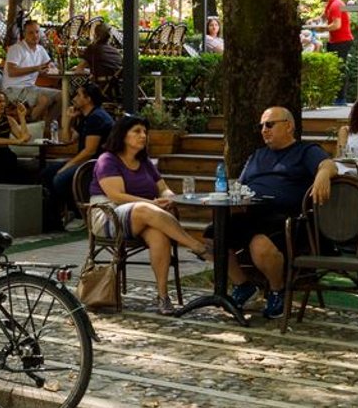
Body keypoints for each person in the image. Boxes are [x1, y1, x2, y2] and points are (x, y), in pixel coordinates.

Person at [90, 114, 210, 316]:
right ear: (122, 135)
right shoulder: (107, 160)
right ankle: (197, 246)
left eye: (145, 132)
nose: (143, 135)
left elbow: (163, 189)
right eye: (137, 131)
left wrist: (170, 197)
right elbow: (116, 196)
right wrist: (152, 204)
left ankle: (163, 297)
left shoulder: (145, 162)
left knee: (159, 235)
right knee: (147, 211)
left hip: (143, 216)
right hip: (108, 216)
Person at [227, 107, 338, 320]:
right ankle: (244, 286)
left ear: (289, 126)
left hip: (287, 220)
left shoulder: (305, 150)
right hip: (251, 214)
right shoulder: (257, 155)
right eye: (261, 126)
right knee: (212, 240)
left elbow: (328, 164)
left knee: (259, 246)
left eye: (269, 124)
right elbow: (239, 186)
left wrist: (323, 173)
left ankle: (277, 291)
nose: (264, 130)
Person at [44, 82, 113, 223]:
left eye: (78, 95)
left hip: (96, 163)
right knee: (47, 173)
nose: (74, 98)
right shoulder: (85, 116)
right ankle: (55, 218)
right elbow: (66, 140)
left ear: (88, 99)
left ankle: (77, 213)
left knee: (59, 180)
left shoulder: (97, 118)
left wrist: (66, 167)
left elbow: (89, 151)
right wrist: (69, 120)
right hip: (85, 160)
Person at [0, 19, 57, 121]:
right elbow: (12, 71)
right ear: (24, 34)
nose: (35, 35)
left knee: (62, 96)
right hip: (13, 89)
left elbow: (49, 65)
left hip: (30, 87)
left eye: (37, 32)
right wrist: (36, 68)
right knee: (43, 100)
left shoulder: (40, 49)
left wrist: (52, 67)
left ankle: (47, 125)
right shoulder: (16, 49)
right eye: (31, 33)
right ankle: (27, 127)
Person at [317, 0, 353, 74]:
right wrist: (312, 21)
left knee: (339, 69)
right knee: (333, 68)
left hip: (342, 41)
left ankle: (342, 88)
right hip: (334, 41)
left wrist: (323, 29)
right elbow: (323, 16)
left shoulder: (336, 5)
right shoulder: (330, 4)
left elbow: (337, 25)